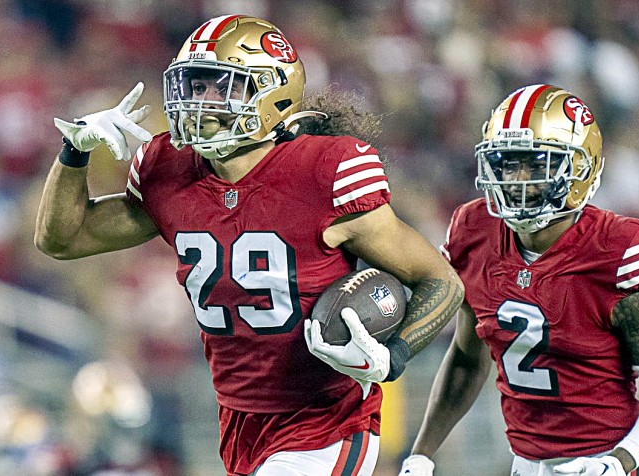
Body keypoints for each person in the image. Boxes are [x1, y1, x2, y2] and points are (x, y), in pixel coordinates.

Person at [34, 14, 464, 476]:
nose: (199, 101)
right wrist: (73, 153)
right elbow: (62, 239)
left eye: (219, 86)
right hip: (238, 423)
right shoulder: (169, 169)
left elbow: (441, 281)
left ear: (273, 93)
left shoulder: (323, 172)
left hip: (326, 420)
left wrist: (392, 355)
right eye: (193, 86)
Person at [398, 84, 639, 476]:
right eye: (508, 162)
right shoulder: (474, 231)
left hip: (611, 462)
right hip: (525, 465)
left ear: (580, 170)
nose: (519, 179)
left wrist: (619, 461)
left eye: (537, 165)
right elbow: (468, 358)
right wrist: (421, 454)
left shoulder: (619, 249)